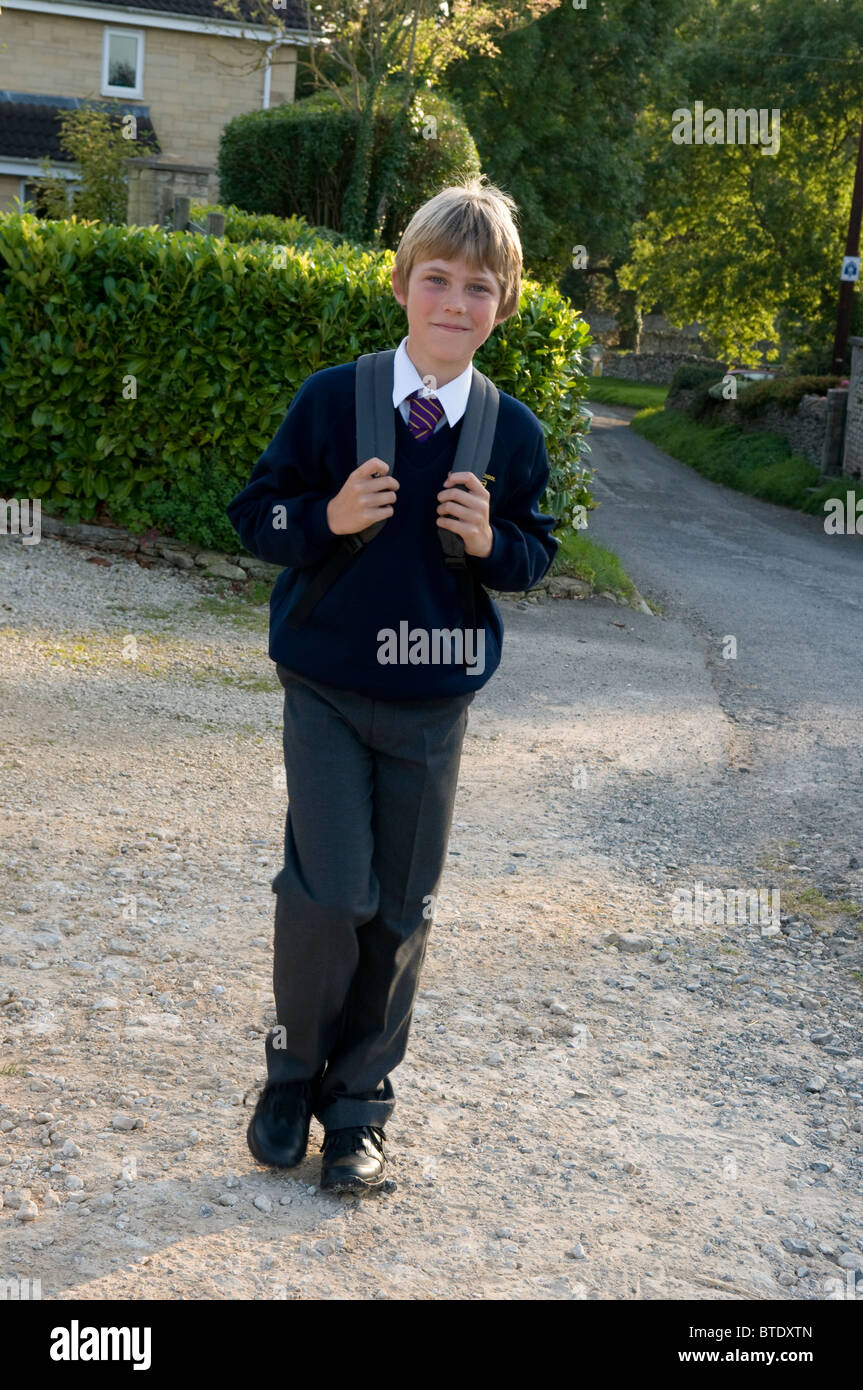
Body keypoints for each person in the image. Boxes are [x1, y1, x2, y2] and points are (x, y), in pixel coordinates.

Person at [225, 176, 558, 1193]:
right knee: (328, 895)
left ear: (502, 304)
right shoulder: (336, 398)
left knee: (401, 908)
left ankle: (357, 1109)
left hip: (432, 703)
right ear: (402, 284)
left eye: (478, 287)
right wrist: (323, 519)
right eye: (437, 279)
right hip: (325, 686)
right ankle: (289, 1077)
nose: (454, 302)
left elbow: (533, 556)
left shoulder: (511, 435)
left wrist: (487, 540)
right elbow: (254, 517)